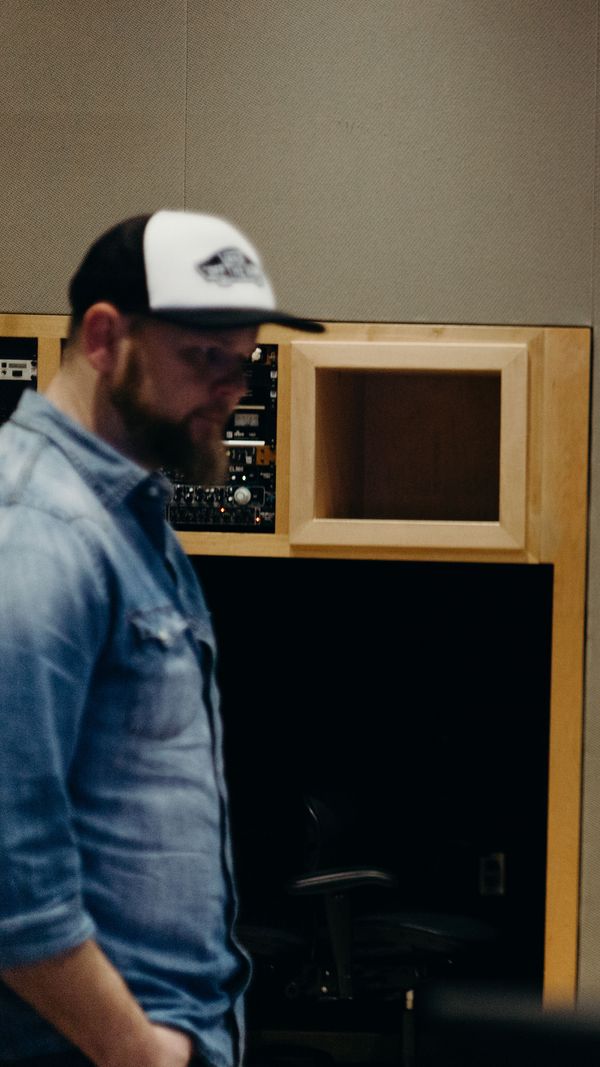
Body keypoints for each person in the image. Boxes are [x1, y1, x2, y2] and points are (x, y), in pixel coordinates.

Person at [0, 210, 323, 1067]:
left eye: (243, 361)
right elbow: (8, 857)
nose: (231, 388)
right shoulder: (36, 529)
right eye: (204, 357)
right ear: (104, 338)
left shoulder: (128, 517)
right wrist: (137, 1049)